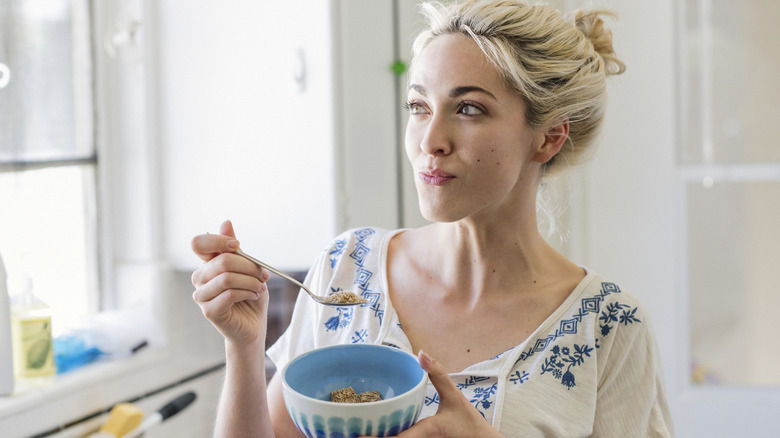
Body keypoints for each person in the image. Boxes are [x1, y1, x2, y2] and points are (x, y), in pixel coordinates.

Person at [190, 0, 674, 436]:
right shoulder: (348, 266)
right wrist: (244, 347)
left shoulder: (609, 327)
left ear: (548, 137)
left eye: (468, 108)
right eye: (419, 106)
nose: (430, 140)